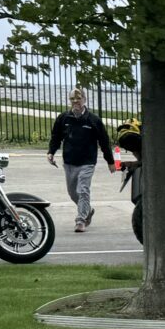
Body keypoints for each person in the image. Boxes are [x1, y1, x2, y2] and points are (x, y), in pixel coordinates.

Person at [47, 88, 115, 232]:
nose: (75, 101)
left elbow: (104, 141)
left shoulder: (93, 120)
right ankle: (87, 210)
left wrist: (110, 162)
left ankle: (81, 220)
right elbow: (56, 137)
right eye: (72, 99)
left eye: (78, 98)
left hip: (87, 162)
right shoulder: (63, 118)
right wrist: (51, 152)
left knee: (83, 190)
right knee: (73, 193)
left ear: (85, 99)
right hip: (70, 161)